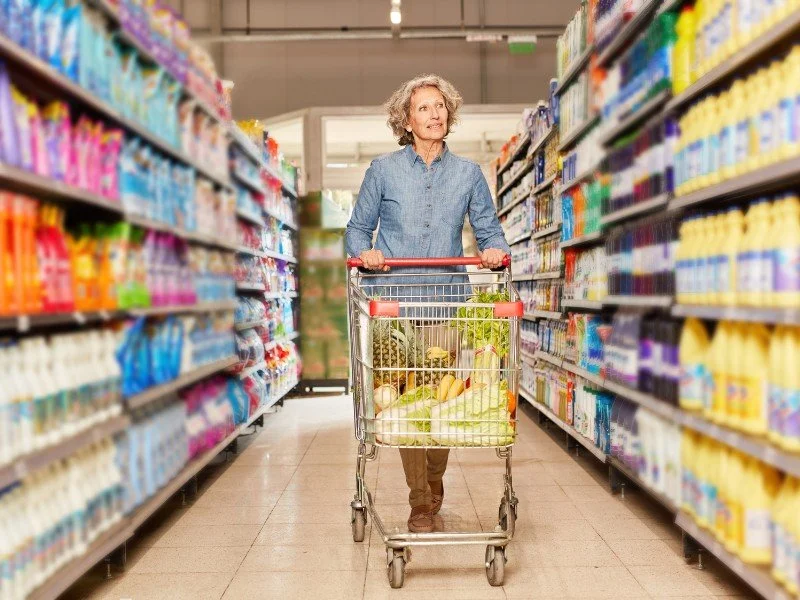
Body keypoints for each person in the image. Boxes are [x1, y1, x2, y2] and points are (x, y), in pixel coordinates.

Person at [344, 74, 511, 534]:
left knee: (440, 403)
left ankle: (432, 482)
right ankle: (420, 502)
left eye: (439, 106)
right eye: (423, 108)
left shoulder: (468, 174)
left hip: (446, 304)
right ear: (406, 119)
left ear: (449, 114)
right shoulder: (382, 170)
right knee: (404, 406)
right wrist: (369, 253)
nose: (434, 114)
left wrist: (493, 249)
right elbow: (356, 232)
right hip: (394, 310)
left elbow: (490, 230)